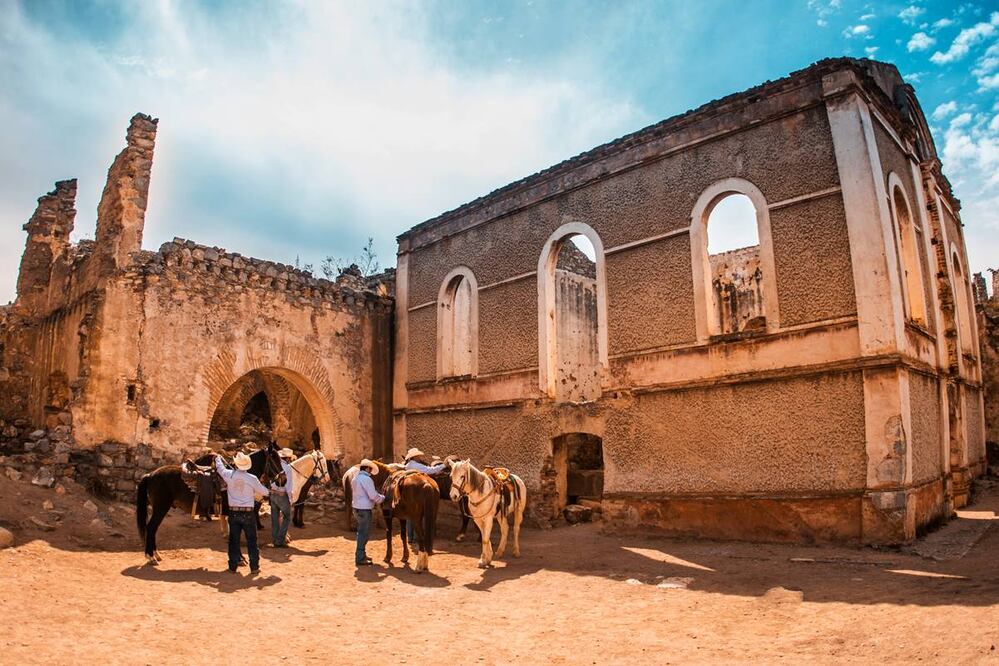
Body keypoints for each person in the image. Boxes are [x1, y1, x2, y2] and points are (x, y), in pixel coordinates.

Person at [215, 452, 270, 574]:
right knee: (252, 540)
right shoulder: (252, 478)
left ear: (236, 464)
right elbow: (265, 492)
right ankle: (254, 567)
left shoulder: (229, 475)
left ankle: (233, 566)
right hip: (248, 514)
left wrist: (217, 457)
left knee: (234, 540)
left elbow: (220, 469)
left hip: (233, 513)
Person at [402, 448, 446, 545]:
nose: (419, 457)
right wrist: (444, 465)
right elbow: (429, 470)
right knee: (418, 515)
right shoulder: (415, 465)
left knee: (410, 514)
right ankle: (417, 537)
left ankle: (410, 538)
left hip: (407, 493)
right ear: (414, 457)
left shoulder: (407, 465)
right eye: (418, 456)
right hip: (416, 492)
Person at [351, 458, 385, 566]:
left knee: (361, 532)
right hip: (364, 509)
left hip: (356, 508)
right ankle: (360, 558)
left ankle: (362, 555)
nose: (371, 472)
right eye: (370, 469)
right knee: (363, 533)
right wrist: (383, 498)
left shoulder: (355, 478)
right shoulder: (367, 480)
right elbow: (373, 495)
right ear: (366, 468)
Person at [269, 448, 295, 548]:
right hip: (282, 494)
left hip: (273, 493)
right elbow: (289, 485)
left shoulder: (274, 465)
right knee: (287, 517)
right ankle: (280, 540)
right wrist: (290, 499)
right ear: (288, 458)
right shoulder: (287, 468)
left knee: (275, 518)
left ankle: (275, 540)